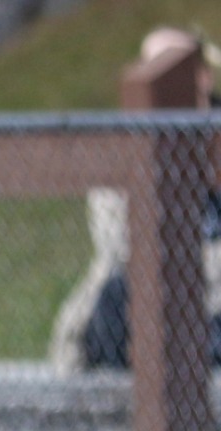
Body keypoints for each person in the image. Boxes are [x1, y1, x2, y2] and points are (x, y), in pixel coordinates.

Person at [49, 26, 221, 376]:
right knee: (114, 298)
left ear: (202, 76)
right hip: (150, 283)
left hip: (212, 292)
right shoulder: (130, 144)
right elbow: (118, 246)